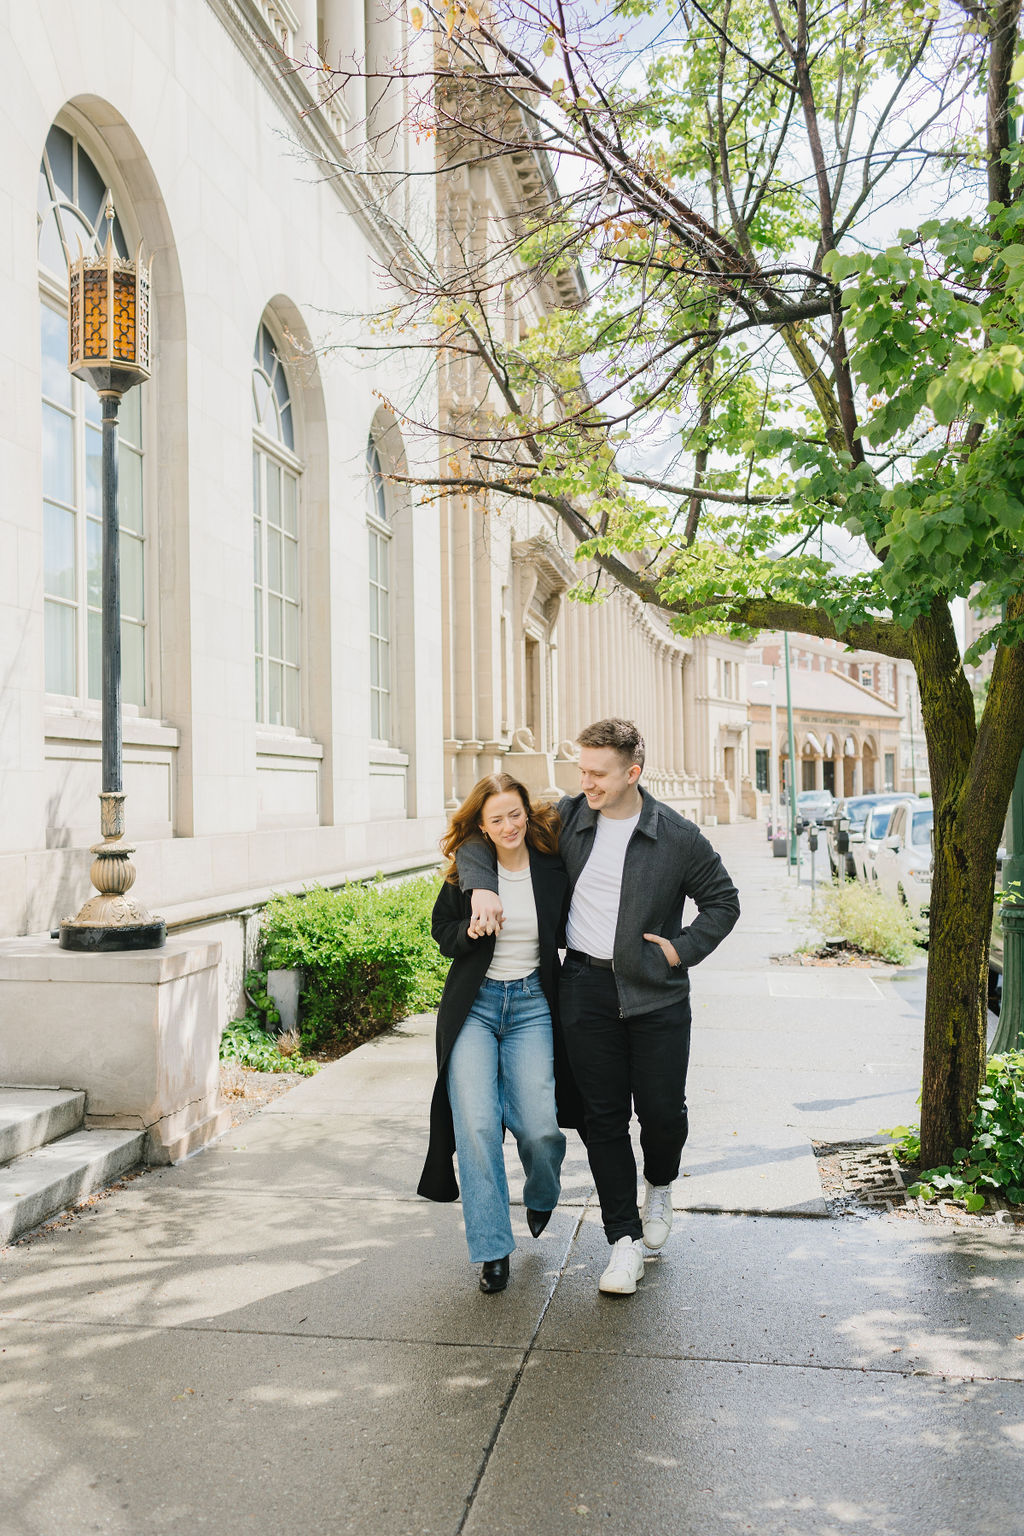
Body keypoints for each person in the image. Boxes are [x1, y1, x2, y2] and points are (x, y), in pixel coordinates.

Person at [457, 719, 740, 1297]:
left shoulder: (678, 836)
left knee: (662, 1114)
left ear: (632, 773)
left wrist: (682, 950)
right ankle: (623, 1241)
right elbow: (485, 833)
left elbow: (723, 902)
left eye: (596, 773)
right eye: (580, 770)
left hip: (656, 993)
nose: (583, 781)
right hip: (584, 987)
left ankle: (659, 1182)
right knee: (601, 1119)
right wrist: (480, 883)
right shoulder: (567, 818)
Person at [418, 772, 581, 1295]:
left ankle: (541, 1191)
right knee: (478, 1127)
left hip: (533, 1003)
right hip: (475, 1009)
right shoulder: (464, 877)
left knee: (540, 1128)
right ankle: (492, 1249)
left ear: (527, 814)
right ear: (482, 828)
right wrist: (468, 929)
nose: (508, 825)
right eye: (496, 819)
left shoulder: (552, 867)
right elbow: (442, 935)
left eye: (515, 814)